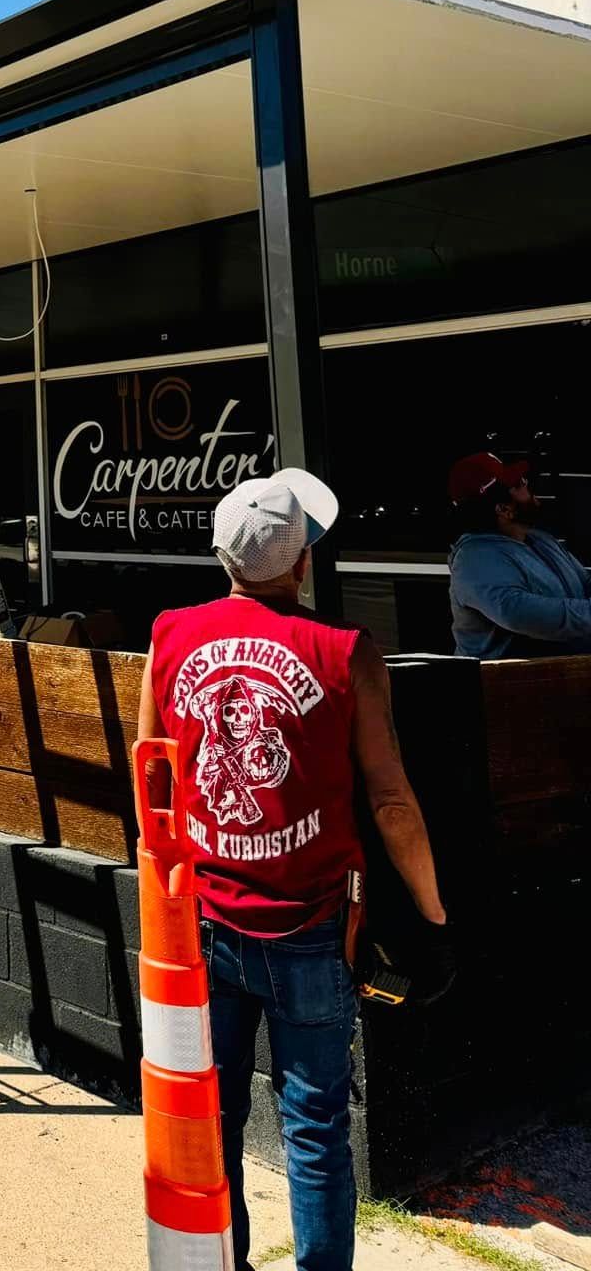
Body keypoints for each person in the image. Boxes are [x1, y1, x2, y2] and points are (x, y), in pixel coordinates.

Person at [136, 470, 450, 1271]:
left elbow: (153, 786)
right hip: (315, 930)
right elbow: (391, 801)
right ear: (302, 562)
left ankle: (225, 1260)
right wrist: (434, 912)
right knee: (314, 1130)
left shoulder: (169, 635)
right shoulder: (348, 651)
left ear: (221, 556)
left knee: (217, 1118)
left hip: (205, 922)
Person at [447, 451, 591, 659]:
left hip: (559, 679)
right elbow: (520, 613)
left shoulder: (540, 540)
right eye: (518, 484)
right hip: (506, 686)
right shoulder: (475, 559)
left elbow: (584, 582)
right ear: (503, 508)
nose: (527, 485)